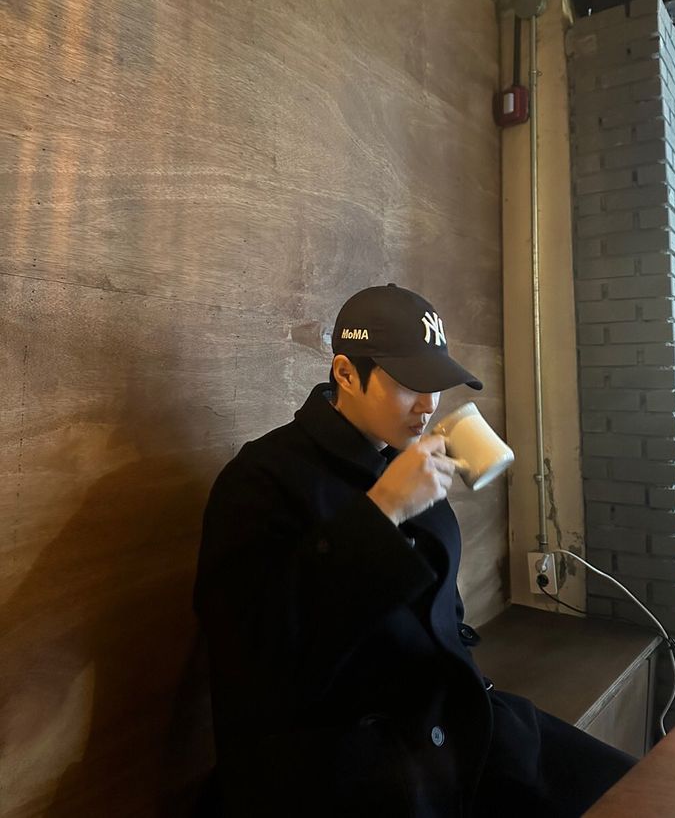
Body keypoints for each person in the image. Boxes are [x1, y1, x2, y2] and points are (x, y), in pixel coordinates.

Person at [193, 284, 634, 817]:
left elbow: (442, 613)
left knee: (634, 789)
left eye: (437, 386)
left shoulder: (405, 458)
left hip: (453, 717)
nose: (428, 407)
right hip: (353, 763)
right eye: (409, 385)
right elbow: (255, 651)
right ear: (345, 373)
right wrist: (381, 512)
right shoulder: (261, 479)